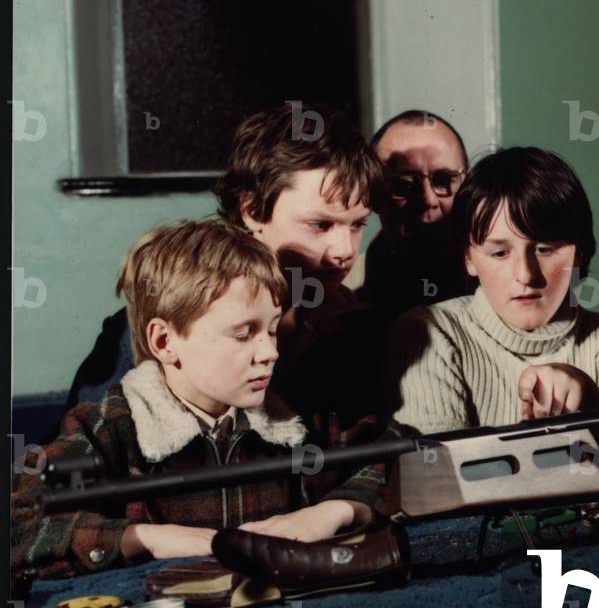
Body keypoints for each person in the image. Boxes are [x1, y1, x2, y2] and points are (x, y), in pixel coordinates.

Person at [12, 221, 379, 582]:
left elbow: (384, 456)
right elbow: (21, 525)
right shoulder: (105, 428)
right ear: (164, 342)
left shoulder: (296, 418)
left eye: (271, 329)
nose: (270, 352)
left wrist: (337, 510)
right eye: (243, 334)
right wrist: (146, 539)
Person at [64, 102, 387, 436]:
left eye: (357, 225)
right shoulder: (153, 326)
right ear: (252, 210)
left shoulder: (349, 322)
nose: (345, 250)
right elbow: (84, 451)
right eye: (320, 225)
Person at [384, 146, 599, 434]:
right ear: (468, 258)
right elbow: (437, 463)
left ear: (579, 253)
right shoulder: (429, 332)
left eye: (544, 249)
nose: (525, 275)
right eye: (499, 253)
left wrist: (591, 398)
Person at [344, 109, 472, 318]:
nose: (428, 200)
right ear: (373, 193)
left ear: (467, 187)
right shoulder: (343, 296)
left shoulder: (506, 283)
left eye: (443, 181)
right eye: (403, 185)